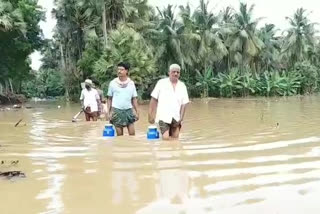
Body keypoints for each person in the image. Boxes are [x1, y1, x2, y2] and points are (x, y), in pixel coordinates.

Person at [148, 64, 189, 140]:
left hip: (176, 117)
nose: (176, 74)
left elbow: (184, 103)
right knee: (166, 138)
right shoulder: (161, 83)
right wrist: (150, 115)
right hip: (163, 116)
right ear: (169, 73)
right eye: (173, 72)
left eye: (178, 72)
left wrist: (181, 118)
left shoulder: (182, 86)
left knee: (175, 139)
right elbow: (154, 99)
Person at [107, 62, 139, 136]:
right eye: (118, 69)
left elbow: (134, 98)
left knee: (132, 135)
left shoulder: (131, 83)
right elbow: (109, 98)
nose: (119, 71)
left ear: (126, 71)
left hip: (129, 110)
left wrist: (137, 112)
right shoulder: (112, 83)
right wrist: (108, 113)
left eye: (121, 69)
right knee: (119, 136)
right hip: (116, 111)